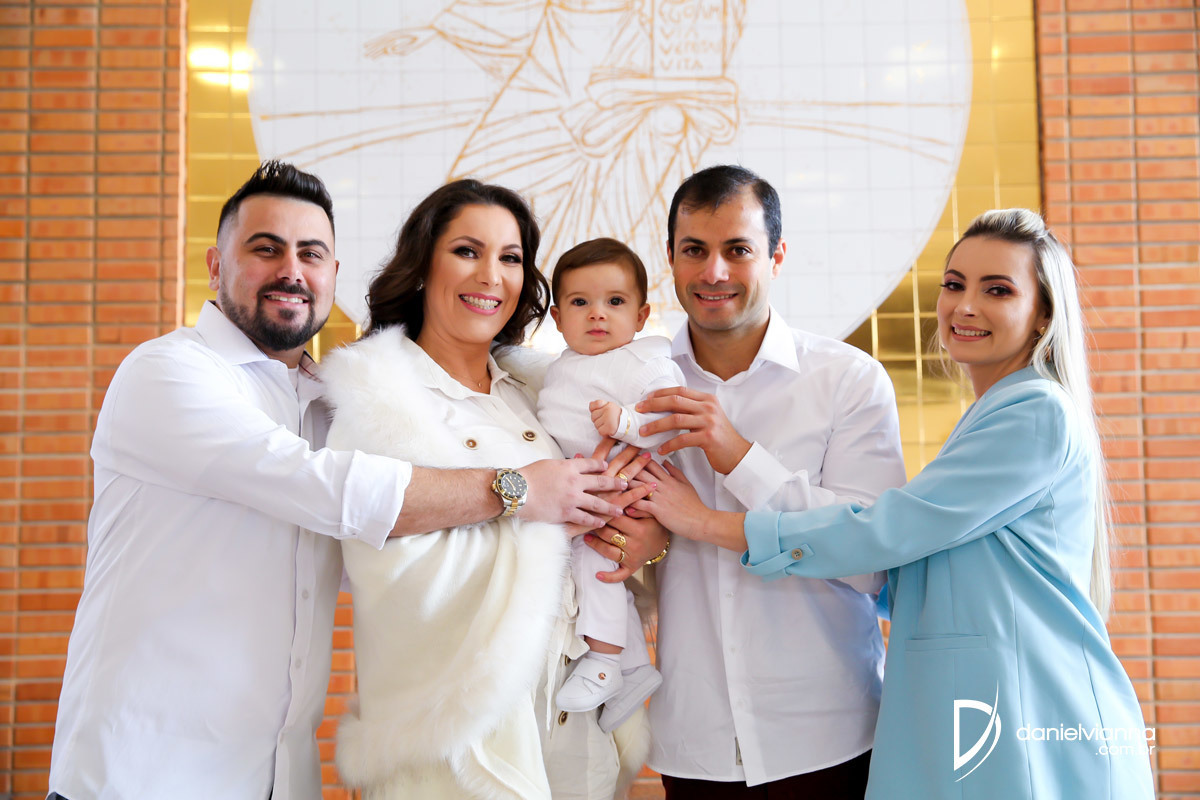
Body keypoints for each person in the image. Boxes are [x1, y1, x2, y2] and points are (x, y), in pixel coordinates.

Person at [46, 162, 632, 800]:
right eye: (265, 249)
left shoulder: (327, 403)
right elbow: (331, 492)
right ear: (215, 266)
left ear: (332, 275)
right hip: (145, 768)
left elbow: (372, 550)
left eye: (311, 254)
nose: (292, 271)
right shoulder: (170, 372)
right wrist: (520, 491)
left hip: (279, 772)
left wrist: (634, 534)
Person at [636, 209, 1156, 799]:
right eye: (954, 284)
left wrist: (706, 520)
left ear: (1043, 315)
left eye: (998, 290)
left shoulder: (1035, 413)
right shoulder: (992, 415)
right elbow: (905, 570)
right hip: (976, 710)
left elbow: (883, 535)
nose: (965, 306)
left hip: (1023, 706)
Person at [319, 182, 653, 799]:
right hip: (463, 737)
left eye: (511, 257)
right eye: (467, 251)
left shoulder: (542, 394)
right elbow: (390, 565)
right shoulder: (381, 400)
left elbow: (613, 509)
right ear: (423, 266)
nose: (491, 276)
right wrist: (540, 510)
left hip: (574, 720)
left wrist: (641, 535)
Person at [588, 165, 907, 798]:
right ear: (671, 258)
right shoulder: (628, 385)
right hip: (694, 740)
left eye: (738, 250)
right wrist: (646, 541)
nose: (714, 272)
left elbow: (871, 564)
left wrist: (737, 456)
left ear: (776, 256)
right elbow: (605, 536)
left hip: (828, 733)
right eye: (694, 250)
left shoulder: (848, 380)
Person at [535, 238, 684, 726]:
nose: (598, 313)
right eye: (581, 302)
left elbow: (671, 418)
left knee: (593, 562)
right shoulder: (562, 366)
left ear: (641, 316)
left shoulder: (641, 362)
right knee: (587, 565)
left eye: (615, 302)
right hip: (587, 486)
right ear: (558, 318)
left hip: (624, 485)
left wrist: (627, 423)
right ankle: (634, 667)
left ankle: (603, 660)